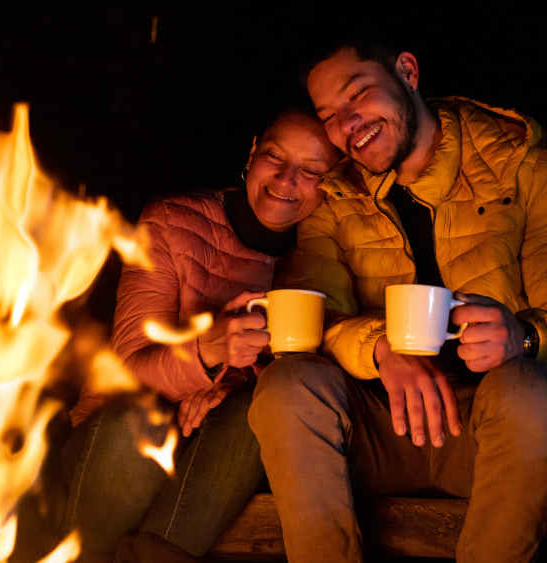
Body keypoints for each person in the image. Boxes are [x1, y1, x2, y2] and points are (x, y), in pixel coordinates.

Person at [248, 40, 547, 563]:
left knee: (531, 394)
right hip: (383, 428)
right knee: (287, 387)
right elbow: (319, 318)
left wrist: (525, 336)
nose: (348, 124)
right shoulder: (335, 196)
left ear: (407, 71)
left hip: (491, 433)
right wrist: (380, 349)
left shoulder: (526, 169)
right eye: (329, 115)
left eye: (358, 95)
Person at [58, 108, 341, 563]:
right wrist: (207, 354)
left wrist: (228, 385)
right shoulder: (172, 223)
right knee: (141, 423)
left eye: (311, 171)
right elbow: (125, 370)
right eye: (274, 157)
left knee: (259, 413)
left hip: (221, 448)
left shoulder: (326, 253)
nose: (286, 180)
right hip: (115, 442)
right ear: (252, 152)